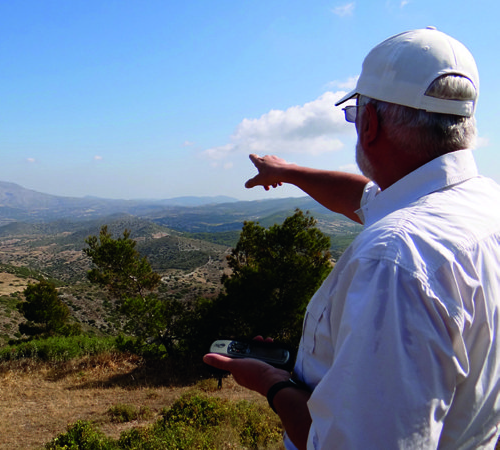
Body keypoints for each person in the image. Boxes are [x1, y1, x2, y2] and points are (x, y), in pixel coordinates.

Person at [204, 27, 500, 449]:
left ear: (370, 122)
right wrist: (285, 171)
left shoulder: (396, 259)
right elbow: (366, 198)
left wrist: (272, 382)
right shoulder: (483, 204)